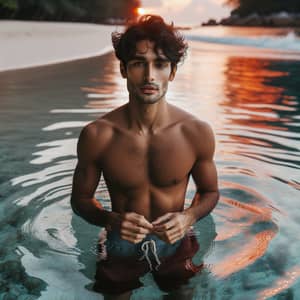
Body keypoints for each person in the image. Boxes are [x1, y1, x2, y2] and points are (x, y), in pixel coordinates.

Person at [71, 15, 219, 300]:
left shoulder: (196, 132)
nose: (150, 75)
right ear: (124, 69)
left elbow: (210, 191)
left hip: (177, 244)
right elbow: (80, 201)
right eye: (139, 63)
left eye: (161, 64)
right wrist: (110, 220)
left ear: (172, 72)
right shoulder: (98, 135)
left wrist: (188, 218)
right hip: (120, 244)